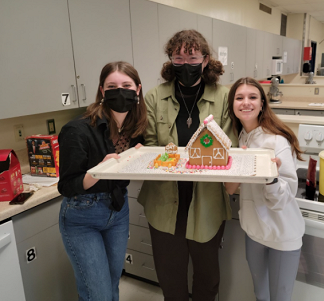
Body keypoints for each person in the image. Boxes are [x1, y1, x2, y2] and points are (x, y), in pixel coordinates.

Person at [137, 29, 237, 301]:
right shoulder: (155, 97)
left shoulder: (224, 96)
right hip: (164, 201)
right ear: (170, 60)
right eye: (178, 58)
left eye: (192, 58)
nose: (185, 64)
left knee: (207, 279)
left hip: (207, 201)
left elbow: (227, 146)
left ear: (205, 60)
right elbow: (149, 146)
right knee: (171, 281)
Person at [58, 61, 147, 301]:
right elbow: (66, 186)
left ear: (137, 90)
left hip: (118, 211)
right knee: (97, 294)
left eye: (126, 85)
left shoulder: (135, 127)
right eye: (112, 86)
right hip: (82, 215)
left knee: (112, 285)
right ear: (102, 91)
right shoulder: (77, 130)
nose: (120, 91)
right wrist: (97, 171)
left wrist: (141, 156)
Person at [225, 77, 305, 301]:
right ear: (232, 105)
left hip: (282, 233)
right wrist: (234, 164)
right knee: (260, 294)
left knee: (280, 297)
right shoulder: (242, 137)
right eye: (239, 98)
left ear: (262, 104)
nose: (246, 103)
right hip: (255, 231)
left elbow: (282, 200)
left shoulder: (276, 141)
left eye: (253, 97)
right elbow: (230, 189)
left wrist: (271, 179)